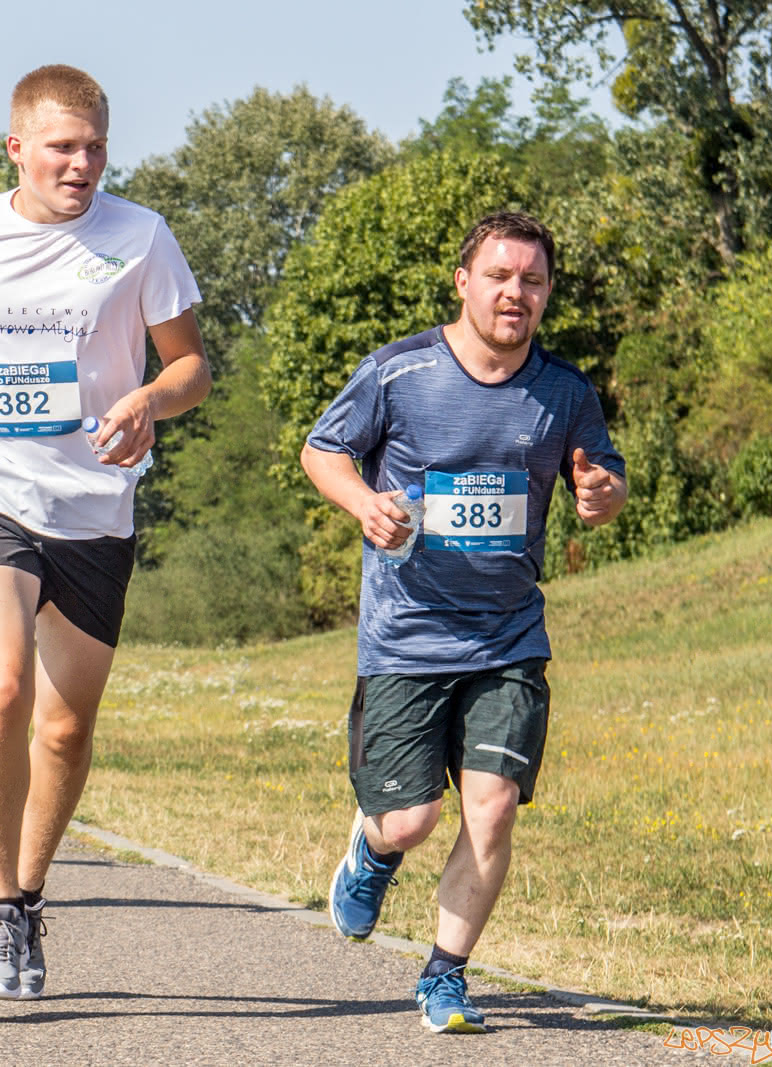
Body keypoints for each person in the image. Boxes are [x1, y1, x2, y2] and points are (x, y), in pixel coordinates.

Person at [0, 65, 210, 1000]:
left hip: (96, 503)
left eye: (96, 147)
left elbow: (192, 365)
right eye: (62, 148)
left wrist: (151, 397)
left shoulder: (140, 236)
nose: (81, 165)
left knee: (65, 728)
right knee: (4, 686)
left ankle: (27, 902)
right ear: (17, 147)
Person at [299, 211, 628, 1034]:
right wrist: (362, 502)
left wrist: (603, 494)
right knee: (412, 818)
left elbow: (603, 479)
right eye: (500, 276)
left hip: (508, 636)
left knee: (492, 806)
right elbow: (321, 449)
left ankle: (444, 975)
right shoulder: (399, 373)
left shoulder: (563, 392)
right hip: (407, 638)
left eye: (533, 280)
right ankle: (374, 851)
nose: (516, 292)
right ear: (464, 282)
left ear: (547, 293)